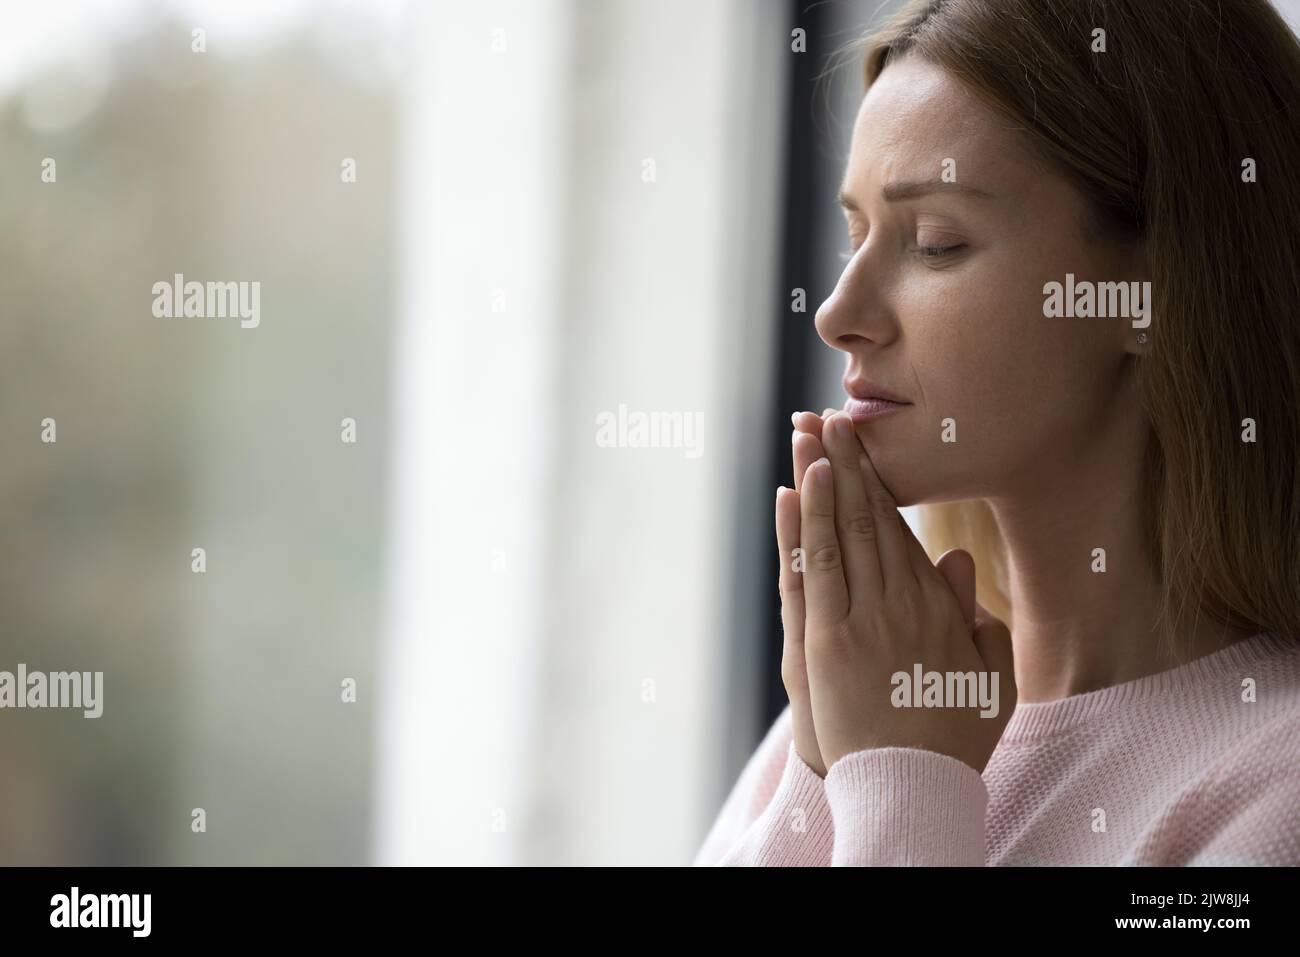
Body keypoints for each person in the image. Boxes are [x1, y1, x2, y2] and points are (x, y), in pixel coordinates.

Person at [695, 0, 1300, 866]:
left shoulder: (1274, 788)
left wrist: (901, 788)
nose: (837, 314)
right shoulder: (865, 705)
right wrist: (830, 769)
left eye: (936, 243)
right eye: (855, 235)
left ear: (1152, 289)